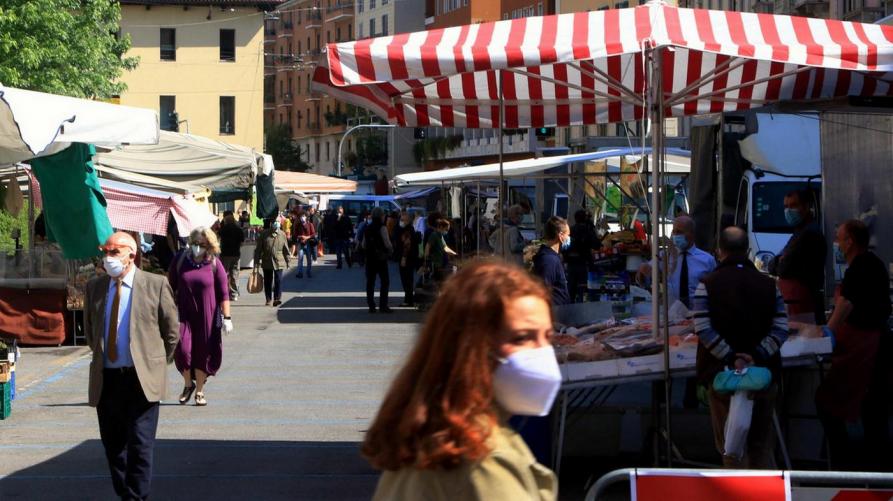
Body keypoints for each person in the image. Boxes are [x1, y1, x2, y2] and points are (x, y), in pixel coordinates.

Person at [364, 261, 559, 500]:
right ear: (470, 346)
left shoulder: (427, 432)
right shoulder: (486, 463)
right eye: (521, 338)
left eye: (548, 337)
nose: (542, 352)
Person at [85, 232, 180, 500]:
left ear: (132, 255)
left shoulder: (155, 284)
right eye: (106, 252)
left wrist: (157, 364)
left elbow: (171, 333)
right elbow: (92, 333)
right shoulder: (95, 287)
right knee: (114, 445)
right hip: (108, 379)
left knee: (140, 443)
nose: (108, 258)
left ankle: (137, 496)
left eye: (114, 252)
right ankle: (125, 493)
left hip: (141, 379)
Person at [691, 227, 789, 468]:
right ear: (747, 251)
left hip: (723, 377)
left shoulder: (708, 284)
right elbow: (781, 328)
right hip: (763, 376)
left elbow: (703, 328)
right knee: (759, 446)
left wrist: (731, 357)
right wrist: (755, 356)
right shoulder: (769, 285)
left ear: (719, 252)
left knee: (730, 448)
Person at [816, 220, 892, 470]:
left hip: (867, 346)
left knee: (832, 401)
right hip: (866, 343)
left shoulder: (862, 266)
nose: (836, 244)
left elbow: (845, 305)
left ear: (850, 242)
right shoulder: (867, 264)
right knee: (872, 408)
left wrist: (827, 332)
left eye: (839, 239)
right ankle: (869, 461)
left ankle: (847, 464)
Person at [168, 227, 233, 407]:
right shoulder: (180, 260)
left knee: (203, 353)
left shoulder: (214, 264)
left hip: (208, 316)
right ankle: (188, 384)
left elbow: (224, 293)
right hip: (183, 314)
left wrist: (227, 318)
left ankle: (199, 391)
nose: (197, 247)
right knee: (183, 350)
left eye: (202, 244)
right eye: (195, 243)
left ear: (209, 245)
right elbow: (168, 287)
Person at [768, 190, 827, 324]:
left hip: (804, 303)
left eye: (793, 206)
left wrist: (780, 260)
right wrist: (779, 260)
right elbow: (774, 264)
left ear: (806, 207)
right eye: (786, 206)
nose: (789, 211)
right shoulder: (799, 233)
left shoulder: (809, 234)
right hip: (796, 303)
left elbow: (783, 267)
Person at [636, 215, 716, 309]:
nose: (675, 235)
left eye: (679, 232)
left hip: (698, 314)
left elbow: (716, 290)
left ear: (692, 234)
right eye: (674, 232)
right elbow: (644, 278)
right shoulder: (665, 256)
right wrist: (643, 271)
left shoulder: (707, 260)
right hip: (671, 316)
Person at [564, 209, 602, 303]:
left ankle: (570, 308)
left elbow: (564, 248)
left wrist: (566, 259)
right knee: (584, 290)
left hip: (571, 264)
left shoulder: (570, 230)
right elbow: (597, 245)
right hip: (584, 264)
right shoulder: (588, 230)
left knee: (571, 289)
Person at [533, 216, 572, 307]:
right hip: (554, 314)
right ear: (561, 235)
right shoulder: (549, 260)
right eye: (568, 235)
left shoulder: (552, 257)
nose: (569, 238)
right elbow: (543, 290)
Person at [363, 207, 394, 313]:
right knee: (385, 282)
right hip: (381, 259)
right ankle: (383, 305)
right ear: (381, 216)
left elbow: (363, 244)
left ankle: (371, 306)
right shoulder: (382, 228)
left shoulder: (367, 228)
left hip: (370, 258)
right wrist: (391, 251)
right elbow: (387, 243)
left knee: (370, 283)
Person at [254, 219, 290, 307]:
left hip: (279, 260)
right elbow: (258, 249)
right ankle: (268, 299)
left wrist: (288, 261)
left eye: (277, 222)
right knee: (268, 281)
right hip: (267, 260)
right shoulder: (264, 234)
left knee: (278, 280)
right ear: (271, 224)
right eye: (274, 222)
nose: (275, 223)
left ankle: (277, 298)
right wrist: (256, 261)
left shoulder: (282, 234)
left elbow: (286, 249)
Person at [394, 211, 422, 307]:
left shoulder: (407, 230)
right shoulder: (410, 229)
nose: (400, 221)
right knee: (408, 279)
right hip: (411, 257)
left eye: (402, 220)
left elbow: (407, 245)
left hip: (407, 258)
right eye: (400, 219)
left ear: (408, 220)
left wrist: (403, 258)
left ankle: (408, 300)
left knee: (406, 279)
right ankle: (409, 299)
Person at [218, 210, 245, 302]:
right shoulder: (238, 229)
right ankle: (234, 294)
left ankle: (224, 292)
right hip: (236, 254)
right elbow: (242, 242)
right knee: (235, 274)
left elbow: (218, 238)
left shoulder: (223, 229)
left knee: (224, 274)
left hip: (225, 254)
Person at [424, 219, 457, 284]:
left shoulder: (441, 236)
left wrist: (455, 254)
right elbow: (427, 246)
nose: (446, 231)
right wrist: (426, 260)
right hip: (436, 264)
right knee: (438, 283)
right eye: (446, 229)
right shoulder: (434, 235)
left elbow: (445, 248)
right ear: (441, 227)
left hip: (441, 264)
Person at [293, 210, 317, 278]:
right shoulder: (298, 225)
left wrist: (307, 237)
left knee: (309, 259)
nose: (302, 218)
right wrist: (301, 237)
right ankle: (300, 273)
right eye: (301, 216)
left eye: (303, 216)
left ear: (306, 217)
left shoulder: (310, 224)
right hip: (300, 243)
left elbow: (313, 234)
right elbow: (295, 234)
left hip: (308, 244)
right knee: (300, 258)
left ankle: (308, 272)